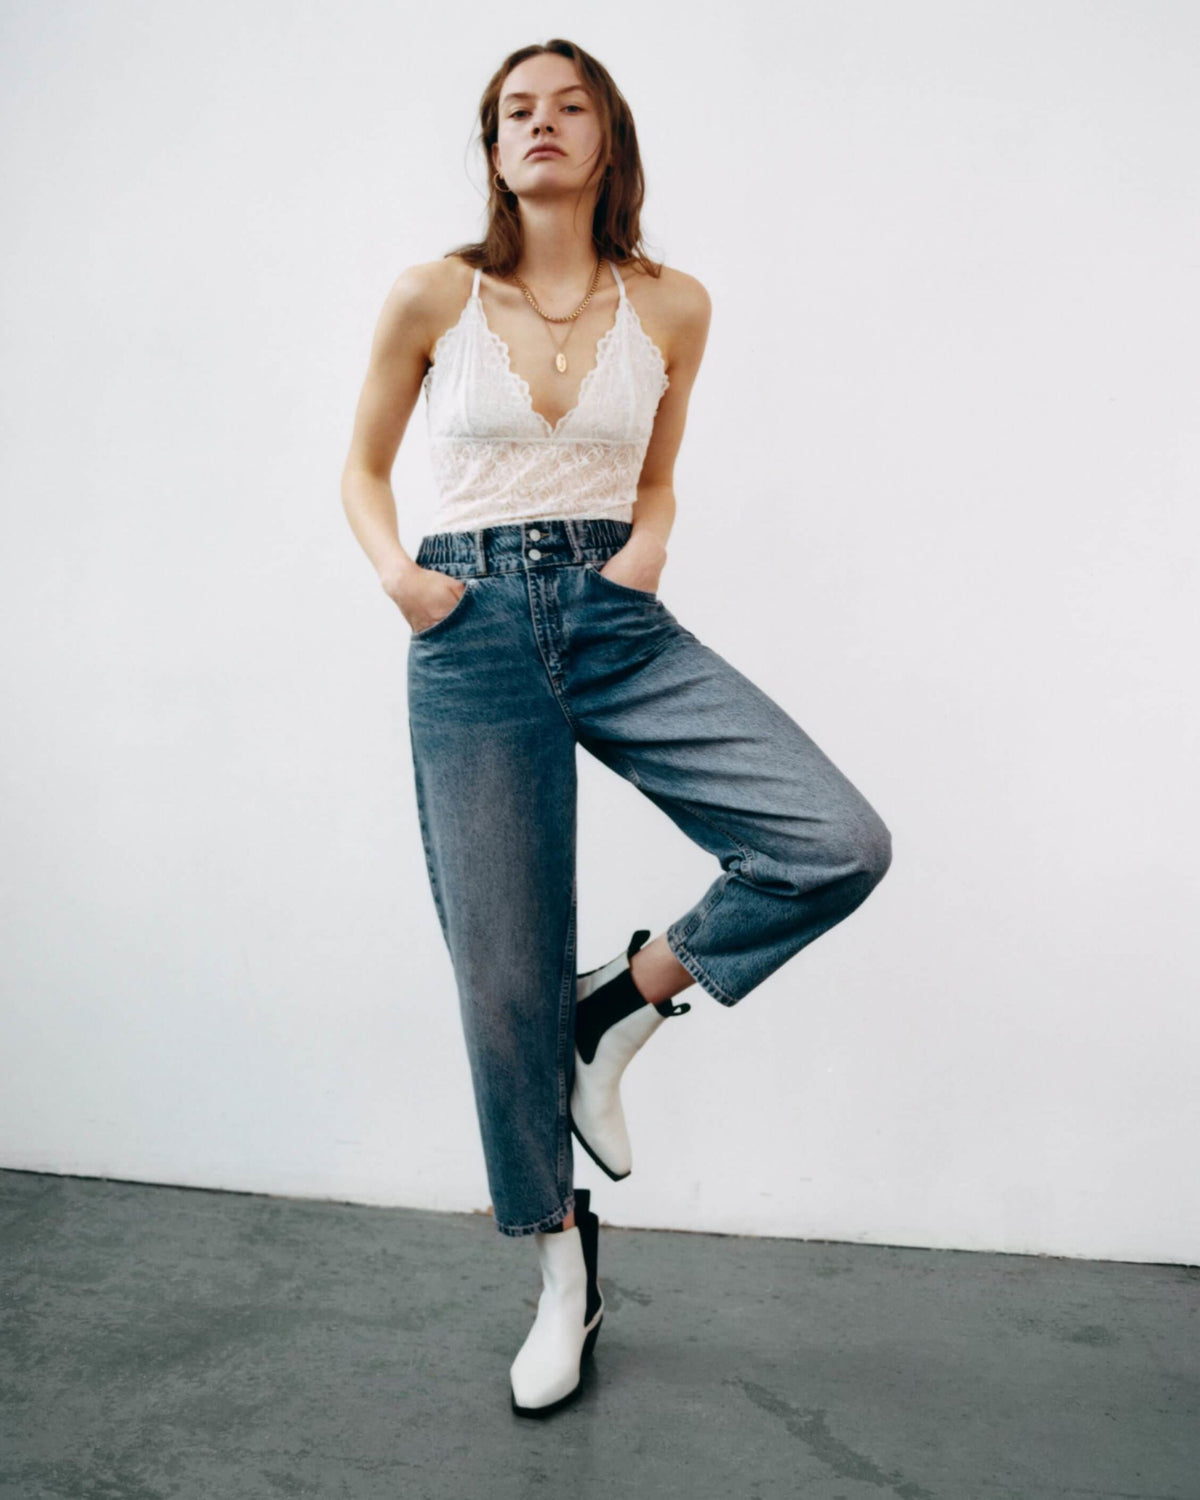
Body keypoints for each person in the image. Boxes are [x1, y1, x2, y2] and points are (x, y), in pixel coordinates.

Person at [341, 38, 893, 1418]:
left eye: (568, 105)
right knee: (499, 984)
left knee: (833, 839)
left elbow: (658, 473)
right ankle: (560, 1273)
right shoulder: (432, 295)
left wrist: (648, 548)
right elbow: (359, 468)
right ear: (492, 148)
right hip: (469, 629)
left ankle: (617, 1004)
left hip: (611, 614)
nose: (541, 123)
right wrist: (406, 583)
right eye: (516, 111)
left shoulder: (674, 304)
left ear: (608, 138)